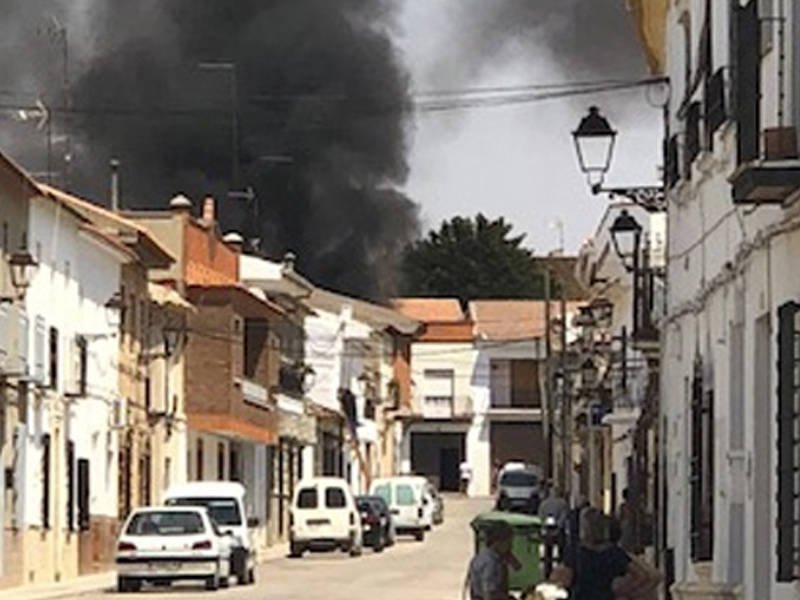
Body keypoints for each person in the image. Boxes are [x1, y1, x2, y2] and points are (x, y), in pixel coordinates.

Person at [550, 507, 657, 600]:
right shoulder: (614, 552)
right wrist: (628, 590)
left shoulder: (576, 552)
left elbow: (561, 579)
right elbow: (642, 575)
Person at [467, 521, 517, 600]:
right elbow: (489, 593)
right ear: (498, 542)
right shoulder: (490, 563)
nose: (511, 546)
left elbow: (517, 567)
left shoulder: (482, 557)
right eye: (508, 542)